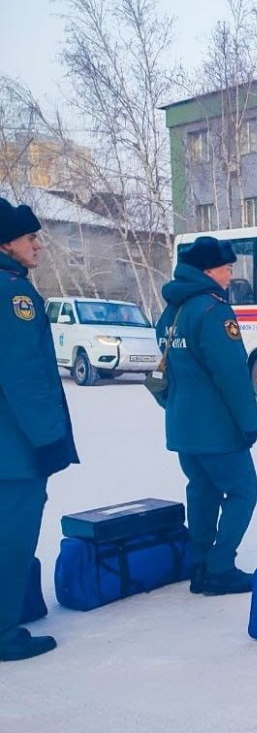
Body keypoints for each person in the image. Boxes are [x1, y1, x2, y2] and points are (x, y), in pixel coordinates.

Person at [156, 236, 257, 596]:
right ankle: (220, 567)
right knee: (243, 491)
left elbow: (167, 371)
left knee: (202, 492)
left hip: (182, 426)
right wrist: (249, 422)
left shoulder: (172, 311)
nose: (230, 275)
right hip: (217, 429)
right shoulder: (213, 311)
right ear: (207, 270)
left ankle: (199, 565)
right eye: (226, 268)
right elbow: (231, 374)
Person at [0, 198, 78, 662]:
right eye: (32, 239)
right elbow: (25, 377)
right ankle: (6, 632)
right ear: (7, 242)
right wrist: (49, 441)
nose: (38, 247)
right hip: (14, 450)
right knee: (11, 540)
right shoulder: (15, 295)